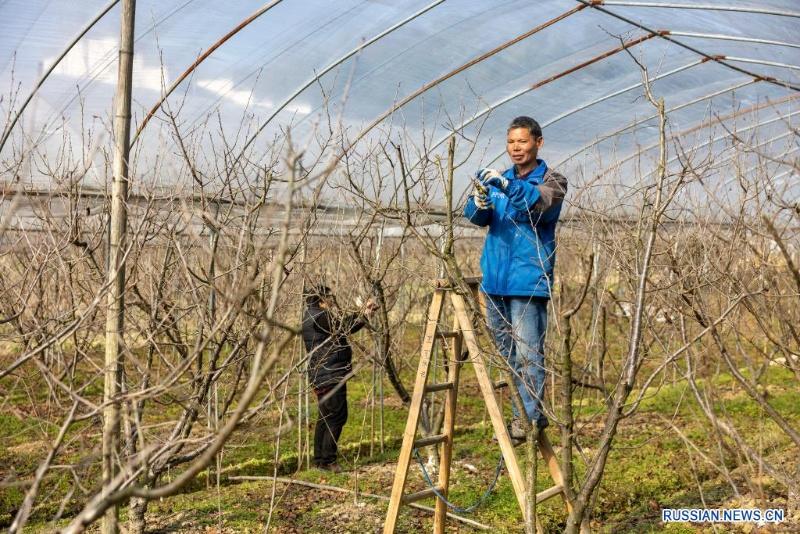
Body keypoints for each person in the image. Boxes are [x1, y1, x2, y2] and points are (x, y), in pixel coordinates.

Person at [463, 116, 567, 440]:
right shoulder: (502, 179)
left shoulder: (553, 181)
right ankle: (524, 414)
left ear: (538, 142)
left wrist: (506, 186)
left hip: (527, 280)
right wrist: (478, 202)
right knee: (506, 355)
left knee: (528, 353)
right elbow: (478, 216)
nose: (516, 148)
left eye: (522, 141)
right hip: (495, 281)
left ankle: (530, 419)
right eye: (511, 142)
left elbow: (539, 204)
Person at [301, 284, 377, 470]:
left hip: (322, 373)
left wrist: (363, 314)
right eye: (329, 297)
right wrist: (363, 312)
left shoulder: (311, 316)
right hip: (330, 373)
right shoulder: (320, 316)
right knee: (336, 416)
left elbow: (341, 327)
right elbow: (343, 327)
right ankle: (328, 461)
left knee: (325, 417)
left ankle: (320, 460)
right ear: (320, 299)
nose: (332, 300)